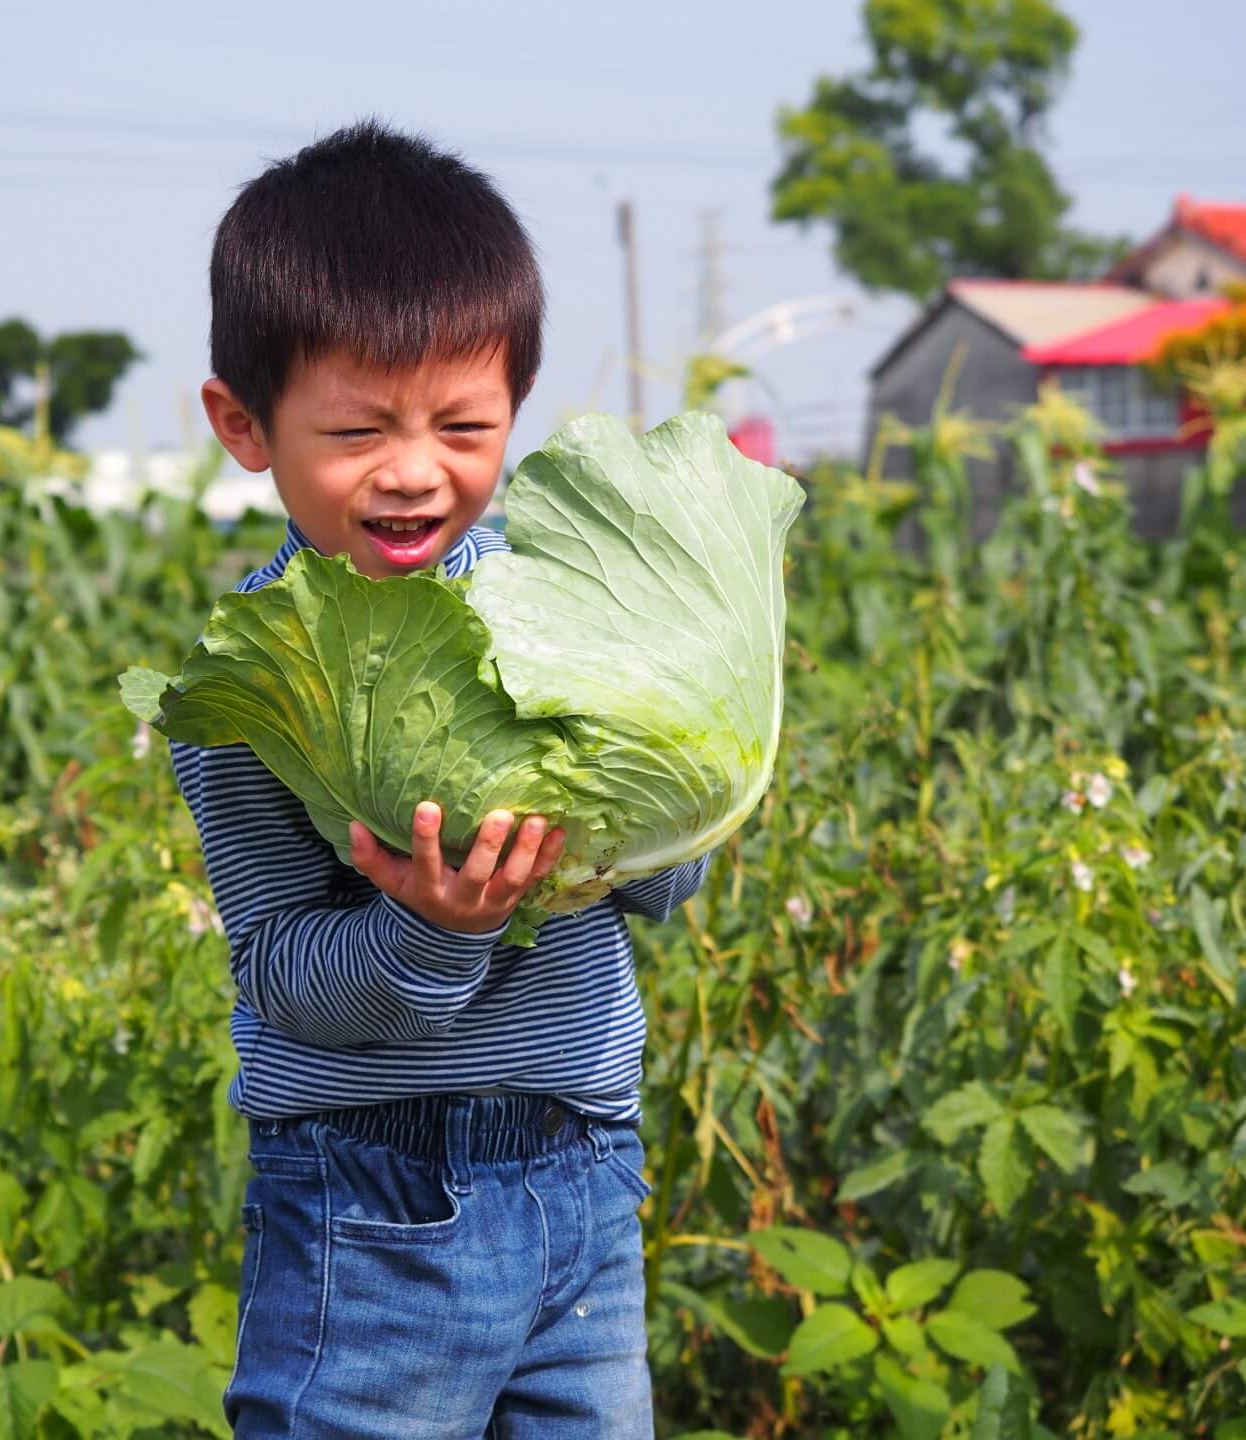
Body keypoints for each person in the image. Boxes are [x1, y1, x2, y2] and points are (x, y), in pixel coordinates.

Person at [177, 118, 711, 1439]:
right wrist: (426, 929)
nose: (415, 471)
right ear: (244, 426)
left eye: (465, 426)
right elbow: (285, 974)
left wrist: (655, 816)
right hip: (372, 1197)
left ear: (515, 410)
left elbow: (670, 884)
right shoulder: (252, 685)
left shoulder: (569, 612)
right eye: (358, 430)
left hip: (588, 1174)